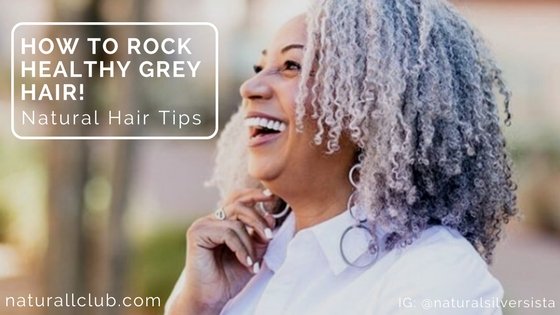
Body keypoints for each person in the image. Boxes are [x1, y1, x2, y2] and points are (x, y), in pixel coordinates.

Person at [165, 0, 517, 314]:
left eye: (291, 65)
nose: (250, 88)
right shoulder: (235, 262)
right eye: (259, 68)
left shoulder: (434, 274)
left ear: (372, 105)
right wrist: (196, 307)